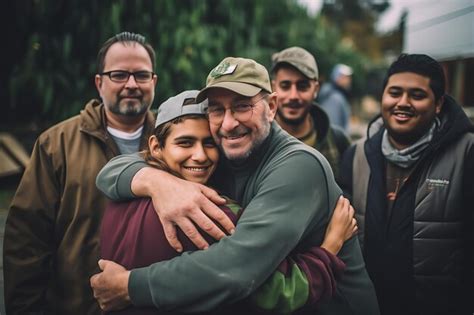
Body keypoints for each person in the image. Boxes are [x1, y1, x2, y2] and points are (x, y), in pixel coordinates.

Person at [90, 57, 380, 314]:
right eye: (217, 110)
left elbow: (236, 270)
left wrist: (130, 285)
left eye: (242, 107)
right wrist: (158, 182)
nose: (228, 124)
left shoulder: (298, 165)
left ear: (271, 107)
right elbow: (109, 173)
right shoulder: (221, 154)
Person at [3, 31, 163, 315]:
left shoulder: (177, 144)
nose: (131, 84)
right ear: (99, 83)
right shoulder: (56, 144)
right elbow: (27, 239)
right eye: (119, 75)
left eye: (140, 75)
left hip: (153, 305)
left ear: (154, 82)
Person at [339, 53, 474, 315]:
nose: (403, 102)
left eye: (417, 95)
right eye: (394, 92)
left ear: (438, 104)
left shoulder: (466, 154)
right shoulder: (356, 156)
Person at [271, 47, 350, 180]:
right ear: (274, 88)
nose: (293, 96)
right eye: (285, 86)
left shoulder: (338, 142)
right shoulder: (258, 141)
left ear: (316, 89)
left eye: (302, 86)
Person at [317, 63, 353, 132]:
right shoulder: (335, 98)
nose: (348, 80)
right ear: (336, 77)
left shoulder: (336, 95)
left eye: (349, 77)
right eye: (344, 77)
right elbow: (334, 128)